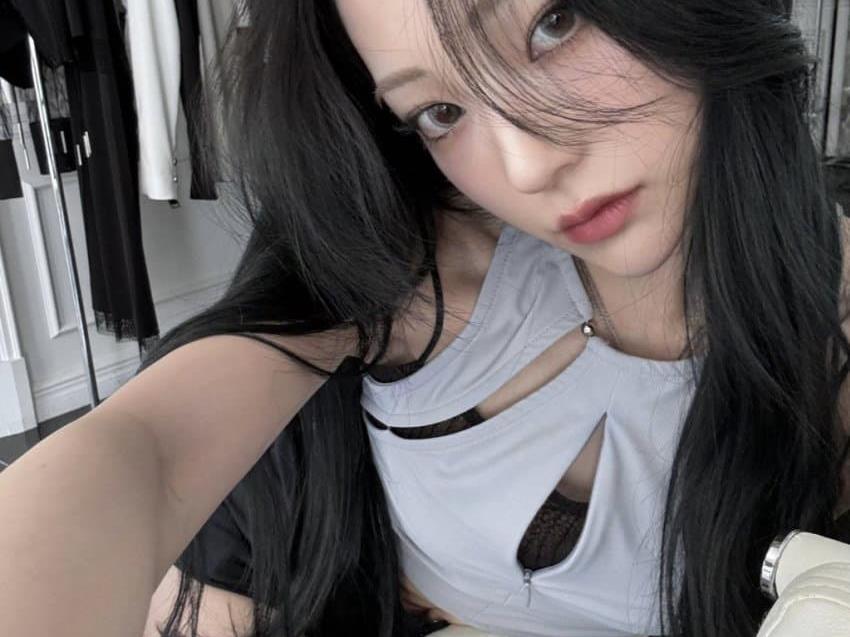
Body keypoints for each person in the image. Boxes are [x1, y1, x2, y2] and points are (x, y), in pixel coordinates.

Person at [2, 0, 850, 636]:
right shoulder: (418, 264)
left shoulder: (825, 329)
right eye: (441, 113)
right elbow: (147, 451)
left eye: (553, 24)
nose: (527, 163)